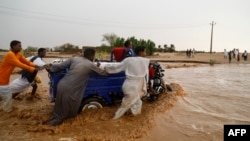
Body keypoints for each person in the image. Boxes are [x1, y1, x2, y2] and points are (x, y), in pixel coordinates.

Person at [47, 48, 107, 126]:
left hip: (61, 85)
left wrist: (49, 67)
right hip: (70, 89)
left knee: (59, 109)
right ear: (92, 56)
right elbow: (103, 73)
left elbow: (59, 66)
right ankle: (49, 127)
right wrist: (113, 70)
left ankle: (50, 122)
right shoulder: (90, 65)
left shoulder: (75, 59)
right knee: (66, 113)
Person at [104, 46, 149, 120]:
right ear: (141, 52)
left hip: (128, 86)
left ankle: (132, 117)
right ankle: (114, 119)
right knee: (125, 105)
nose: (146, 53)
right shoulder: (145, 61)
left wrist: (105, 67)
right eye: (145, 51)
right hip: (133, 88)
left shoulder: (128, 60)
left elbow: (116, 67)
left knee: (137, 102)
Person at [0, 40, 42, 112]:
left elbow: (26, 62)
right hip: (1, 79)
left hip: (5, 80)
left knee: (6, 96)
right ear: (13, 46)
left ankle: (5, 111)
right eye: (19, 46)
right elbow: (19, 64)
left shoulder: (18, 54)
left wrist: (35, 65)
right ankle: (7, 112)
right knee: (7, 98)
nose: (21, 47)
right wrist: (33, 69)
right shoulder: (10, 54)